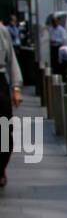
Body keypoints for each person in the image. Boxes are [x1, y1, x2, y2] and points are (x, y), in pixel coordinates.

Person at [0, 22, 24, 188]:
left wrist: (16, 88)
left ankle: (1, 167)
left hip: (0, 80)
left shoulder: (2, 31)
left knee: (4, 129)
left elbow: (11, 60)